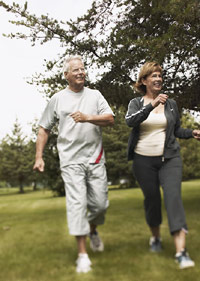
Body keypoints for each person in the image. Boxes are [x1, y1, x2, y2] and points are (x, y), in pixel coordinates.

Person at [33, 55, 114, 273]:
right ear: (66, 75)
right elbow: (44, 129)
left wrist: (88, 118)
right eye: (75, 70)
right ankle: (82, 255)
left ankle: (92, 230)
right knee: (77, 204)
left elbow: (110, 119)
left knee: (100, 205)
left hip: (95, 158)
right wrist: (39, 157)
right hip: (70, 161)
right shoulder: (57, 99)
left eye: (83, 69)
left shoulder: (95, 95)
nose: (80, 72)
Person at [125, 61, 200, 269]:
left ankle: (181, 252)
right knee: (152, 200)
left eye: (160, 75)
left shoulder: (171, 104)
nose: (158, 78)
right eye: (153, 76)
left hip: (170, 159)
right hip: (143, 161)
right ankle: (156, 237)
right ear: (144, 81)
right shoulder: (136, 103)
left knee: (174, 199)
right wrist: (152, 104)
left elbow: (176, 130)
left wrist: (191, 133)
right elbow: (130, 122)